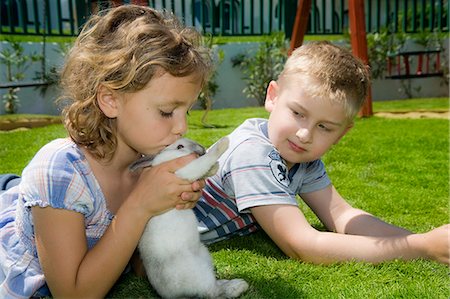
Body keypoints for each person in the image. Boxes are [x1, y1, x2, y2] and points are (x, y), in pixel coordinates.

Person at [0, 5, 211, 298]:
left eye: (186, 111)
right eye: (166, 112)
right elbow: (73, 294)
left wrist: (167, 211)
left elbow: (139, 265)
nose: (182, 128)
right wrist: (140, 205)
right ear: (110, 100)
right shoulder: (60, 172)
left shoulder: (147, 162)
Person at [193, 41, 449, 265]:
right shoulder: (252, 154)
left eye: (324, 127)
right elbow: (302, 245)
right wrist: (420, 248)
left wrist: (418, 239)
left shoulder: (302, 159)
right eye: (298, 113)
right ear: (273, 96)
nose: (305, 134)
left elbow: (341, 215)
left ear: (342, 133)